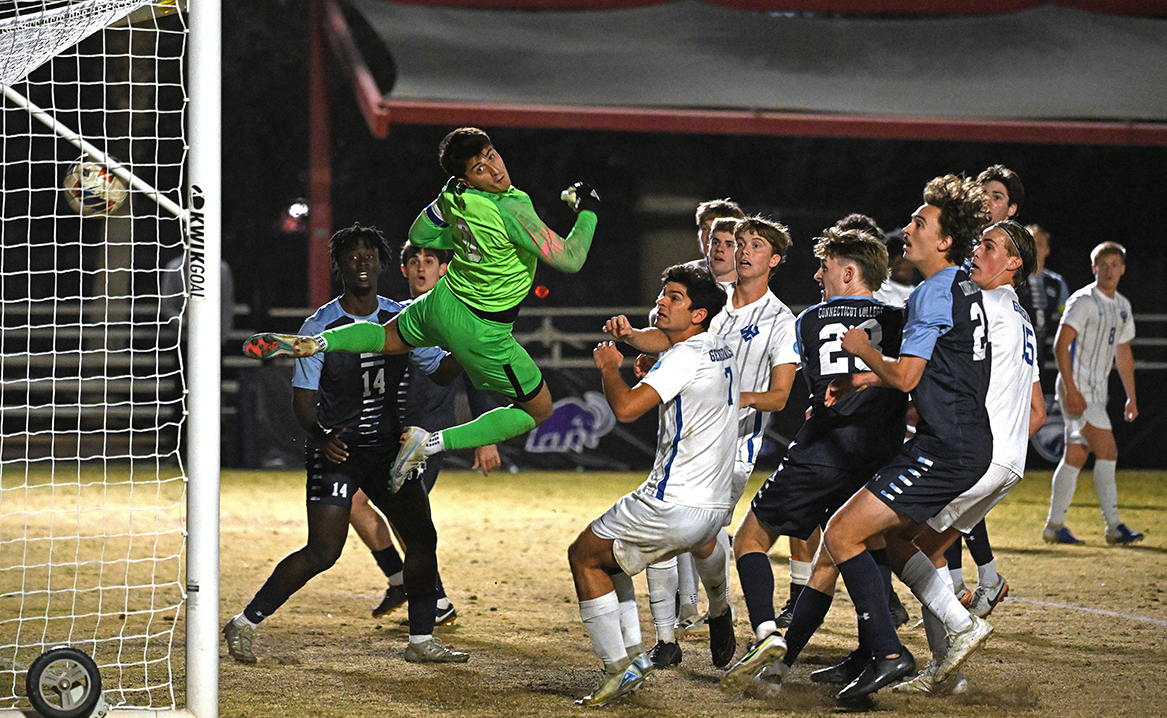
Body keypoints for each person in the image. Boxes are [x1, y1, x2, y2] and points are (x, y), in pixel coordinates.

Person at [242, 127, 599, 488]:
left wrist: (462, 237)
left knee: (386, 337)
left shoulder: (452, 193)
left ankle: (320, 343)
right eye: (480, 168)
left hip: (442, 303)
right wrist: (589, 211)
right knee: (537, 410)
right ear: (466, 177)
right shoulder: (513, 209)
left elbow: (420, 236)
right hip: (483, 328)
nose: (493, 170)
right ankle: (429, 442)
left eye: (491, 156)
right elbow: (570, 259)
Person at [223, 224, 469, 665]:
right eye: (351, 257)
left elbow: (440, 371)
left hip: (390, 452)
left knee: (422, 539)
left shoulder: (402, 316)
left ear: (379, 264)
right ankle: (243, 623)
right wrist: (320, 437)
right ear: (339, 266)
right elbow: (303, 401)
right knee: (323, 552)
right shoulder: (319, 325)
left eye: (368, 256)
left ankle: (420, 641)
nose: (361, 263)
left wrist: (471, 343)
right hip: (339, 450)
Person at [815, 174, 993, 704]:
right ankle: (929, 643)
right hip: (959, 441)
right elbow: (933, 369)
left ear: (944, 240)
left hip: (946, 447)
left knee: (842, 533)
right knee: (891, 540)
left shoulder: (932, 292)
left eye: (920, 222)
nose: (908, 229)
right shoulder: (961, 282)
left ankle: (893, 652)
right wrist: (860, 379)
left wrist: (862, 352)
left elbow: (909, 378)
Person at [720, 227, 907, 697]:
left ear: (848, 272)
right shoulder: (902, 318)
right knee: (840, 552)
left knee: (750, 538)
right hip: (883, 451)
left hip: (825, 449)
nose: (818, 276)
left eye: (825, 268)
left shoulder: (809, 319)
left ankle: (766, 634)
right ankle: (802, 662)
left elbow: (821, 386)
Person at [604, 216, 799, 669]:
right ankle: (666, 636)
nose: (743, 250)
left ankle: (718, 609)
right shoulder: (715, 300)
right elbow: (672, 339)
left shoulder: (780, 320)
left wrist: (730, 398)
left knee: (703, 537)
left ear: (775, 260)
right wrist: (636, 341)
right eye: (741, 243)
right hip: (684, 431)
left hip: (733, 446)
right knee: (660, 519)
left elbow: (781, 395)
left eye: (755, 245)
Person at [569, 264, 737, 706]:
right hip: (714, 511)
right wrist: (634, 339)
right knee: (614, 561)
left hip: (672, 504)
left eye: (674, 297)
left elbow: (625, 409)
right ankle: (640, 655)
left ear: (697, 314)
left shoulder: (682, 357)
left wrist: (611, 366)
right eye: (663, 294)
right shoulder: (716, 345)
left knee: (585, 556)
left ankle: (618, 668)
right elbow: (664, 341)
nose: (661, 301)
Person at [890, 220, 1045, 694]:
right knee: (931, 549)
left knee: (892, 538)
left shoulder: (981, 305)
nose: (977, 252)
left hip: (976, 454)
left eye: (990, 246)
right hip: (1009, 461)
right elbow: (1037, 411)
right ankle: (943, 674)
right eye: (978, 242)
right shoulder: (1020, 318)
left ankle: (959, 631)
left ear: (1015, 263)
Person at [350, 241, 501, 624]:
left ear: (443, 269)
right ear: (403, 270)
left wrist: (485, 437)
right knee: (353, 504)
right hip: (389, 435)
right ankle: (404, 581)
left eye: (429, 261)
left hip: (425, 438)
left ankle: (434, 598)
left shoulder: (452, 317)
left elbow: (476, 379)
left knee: (405, 517)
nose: (421, 268)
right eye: (414, 261)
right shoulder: (397, 316)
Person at [943, 164, 1026, 610]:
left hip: (982, 444)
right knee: (942, 526)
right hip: (1004, 452)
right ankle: (975, 586)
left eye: (996, 196)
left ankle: (951, 613)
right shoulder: (1003, 298)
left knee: (913, 532)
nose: (986, 203)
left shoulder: (988, 296)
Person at [1043, 241, 1142, 546]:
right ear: (1093, 268)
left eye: (1115, 264)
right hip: (1078, 389)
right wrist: (1070, 389)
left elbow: (1123, 354)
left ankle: (1054, 526)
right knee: (1108, 451)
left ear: (1123, 269)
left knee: (1075, 455)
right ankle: (1114, 526)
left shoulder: (1122, 305)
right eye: (1104, 264)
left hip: (1098, 391)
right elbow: (1061, 344)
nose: (1109, 270)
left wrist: (1131, 396)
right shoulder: (1083, 300)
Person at [1019, 223, 1070, 388]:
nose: (1035, 248)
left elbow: (1068, 316)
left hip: (1041, 347)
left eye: (1039, 243)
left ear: (1047, 249)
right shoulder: (1012, 278)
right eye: (1030, 243)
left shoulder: (1055, 283)